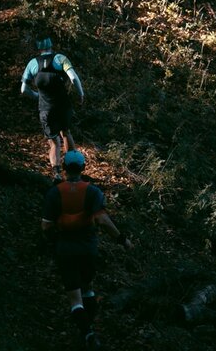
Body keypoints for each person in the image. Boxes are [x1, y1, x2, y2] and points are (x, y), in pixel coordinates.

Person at [41, 150, 133, 350]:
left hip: (65, 249)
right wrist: (122, 239)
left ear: (64, 169)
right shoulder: (93, 192)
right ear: (83, 168)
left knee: (75, 298)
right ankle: (89, 329)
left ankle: (87, 333)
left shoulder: (54, 193)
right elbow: (102, 220)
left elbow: (46, 226)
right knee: (88, 288)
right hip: (88, 249)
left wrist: (53, 243)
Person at [21, 37, 85, 179]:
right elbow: (73, 78)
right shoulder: (60, 58)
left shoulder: (32, 63)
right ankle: (73, 169)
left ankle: (56, 174)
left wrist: (37, 95)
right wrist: (81, 93)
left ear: (39, 48)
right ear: (51, 46)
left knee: (54, 142)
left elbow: (23, 89)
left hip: (45, 108)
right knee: (66, 132)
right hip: (63, 106)